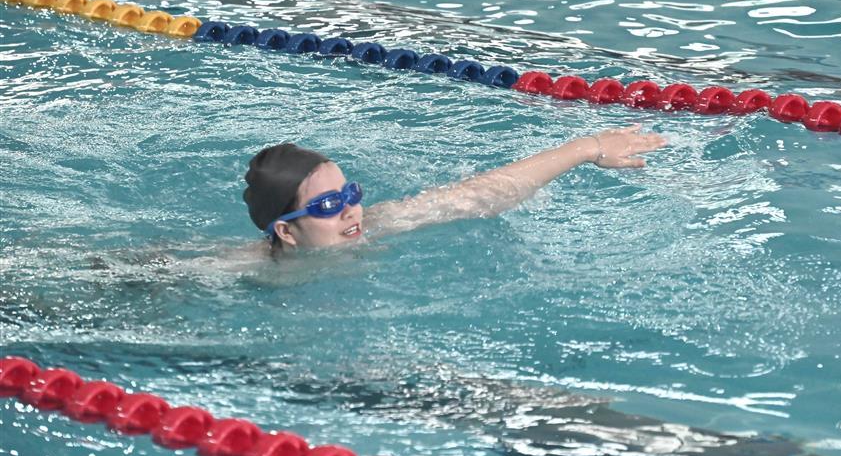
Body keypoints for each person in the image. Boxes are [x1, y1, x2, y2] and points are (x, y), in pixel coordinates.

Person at [243, 124, 667, 253]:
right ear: (286, 231)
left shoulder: (375, 225)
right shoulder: (249, 270)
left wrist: (587, 147)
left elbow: (481, 195)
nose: (351, 210)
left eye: (351, 194)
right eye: (329, 204)